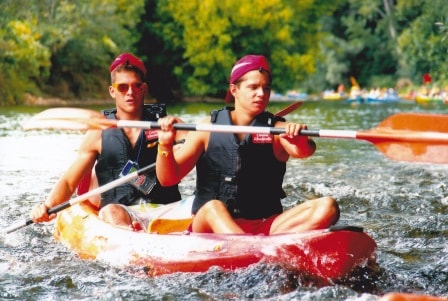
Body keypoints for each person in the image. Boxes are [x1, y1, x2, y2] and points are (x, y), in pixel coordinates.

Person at [156, 54, 339, 235]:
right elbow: (167, 179)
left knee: (328, 206)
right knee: (213, 208)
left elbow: (304, 151)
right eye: (253, 87)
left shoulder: (278, 129)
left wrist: (299, 139)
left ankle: (253, 248)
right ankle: (251, 249)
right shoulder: (206, 128)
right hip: (210, 225)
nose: (261, 94)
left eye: (266, 88)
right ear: (234, 90)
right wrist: (164, 146)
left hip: (264, 227)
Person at [30, 52, 184, 231]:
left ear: (144, 89)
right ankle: (133, 240)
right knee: (111, 211)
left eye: (136, 86)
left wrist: (179, 138)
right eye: (122, 87)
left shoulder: (170, 125)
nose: (130, 92)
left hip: (166, 210)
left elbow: (202, 144)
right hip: (121, 212)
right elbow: (69, 181)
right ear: (112, 91)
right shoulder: (97, 132)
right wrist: (47, 206)